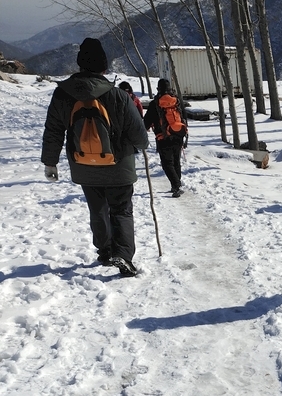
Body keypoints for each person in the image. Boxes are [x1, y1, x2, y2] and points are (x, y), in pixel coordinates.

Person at [41, 37, 149, 277]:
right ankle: (123, 255)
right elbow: (139, 136)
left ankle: (105, 251)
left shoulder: (62, 95)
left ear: (80, 65)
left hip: (83, 164)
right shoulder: (118, 96)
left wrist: (50, 162)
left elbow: (53, 131)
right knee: (121, 210)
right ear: (104, 67)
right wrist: (141, 147)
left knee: (97, 208)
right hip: (119, 165)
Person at [144, 78, 187, 198]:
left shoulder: (155, 103)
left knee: (167, 163)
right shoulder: (177, 101)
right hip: (178, 134)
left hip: (163, 137)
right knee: (176, 161)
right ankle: (176, 185)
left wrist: (146, 128)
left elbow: (146, 121)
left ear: (158, 89)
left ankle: (176, 185)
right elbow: (184, 116)